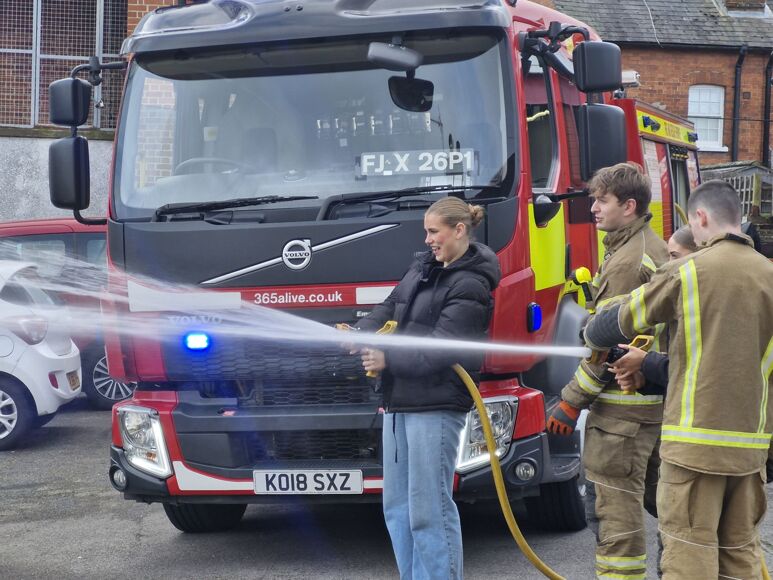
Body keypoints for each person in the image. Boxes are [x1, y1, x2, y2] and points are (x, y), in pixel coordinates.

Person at [583, 180, 773, 579]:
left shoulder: (688, 272)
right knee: (740, 555)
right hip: (750, 451)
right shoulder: (769, 276)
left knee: (689, 554)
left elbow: (621, 320)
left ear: (700, 217)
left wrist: (592, 334)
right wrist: (651, 367)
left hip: (693, 448)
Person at [354, 196, 500, 580]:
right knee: (398, 508)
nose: (428, 239)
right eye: (426, 231)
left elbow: (443, 348)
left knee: (428, 509)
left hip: (436, 406)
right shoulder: (422, 269)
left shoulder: (471, 284)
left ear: (459, 230)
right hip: (400, 402)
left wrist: (388, 359)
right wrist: (360, 332)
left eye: (434, 231)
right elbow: (390, 307)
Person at [546, 162, 669, 580]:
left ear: (629, 206)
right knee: (672, 511)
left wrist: (570, 401)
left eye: (602, 200)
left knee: (616, 521)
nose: (593, 208)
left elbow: (606, 345)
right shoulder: (643, 247)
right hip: (649, 411)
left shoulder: (628, 262)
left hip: (621, 419)